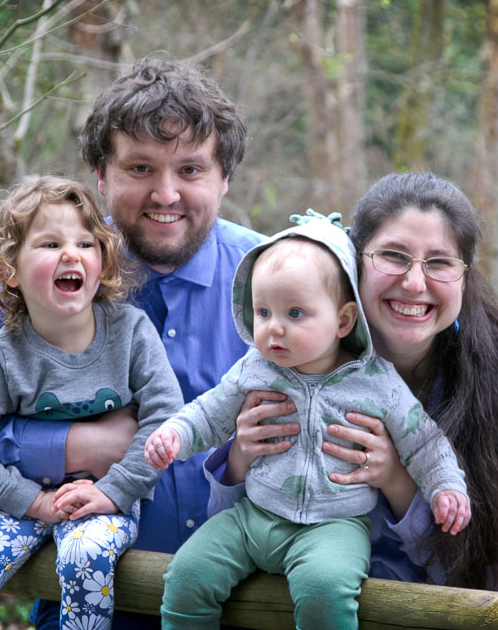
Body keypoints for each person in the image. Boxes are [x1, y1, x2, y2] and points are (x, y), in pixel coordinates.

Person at [0, 57, 264, 628]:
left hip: (252, 608)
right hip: (89, 605)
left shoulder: (276, 278)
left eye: (192, 170)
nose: (166, 193)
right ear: (101, 176)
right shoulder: (46, 277)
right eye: (141, 167)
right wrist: (76, 445)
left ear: (226, 177)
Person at [212, 172, 498, 593]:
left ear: (465, 277)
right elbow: (220, 534)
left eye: (439, 262)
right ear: (353, 262)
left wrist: (396, 480)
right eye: (393, 256)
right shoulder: (284, 360)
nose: (415, 283)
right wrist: (238, 460)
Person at [145, 211, 470, 629]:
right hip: (253, 518)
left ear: (342, 320)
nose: (273, 330)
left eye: (294, 314)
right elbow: (209, 412)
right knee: (187, 575)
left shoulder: (376, 382)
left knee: (324, 592)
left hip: (333, 527)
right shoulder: (254, 369)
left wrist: (446, 485)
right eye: (263, 313)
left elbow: (425, 442)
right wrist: (175, 434)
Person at [0, 177, 183, 630]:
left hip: (106, 502)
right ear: (9, 269)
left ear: (101, 263)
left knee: (86, 558)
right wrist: (34, 502)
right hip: (18, 503)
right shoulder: (2, 354)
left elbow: (165, 421)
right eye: (49, 243)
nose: (71, 254)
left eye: (86, 242)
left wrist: (112, 491)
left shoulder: (131, 332)